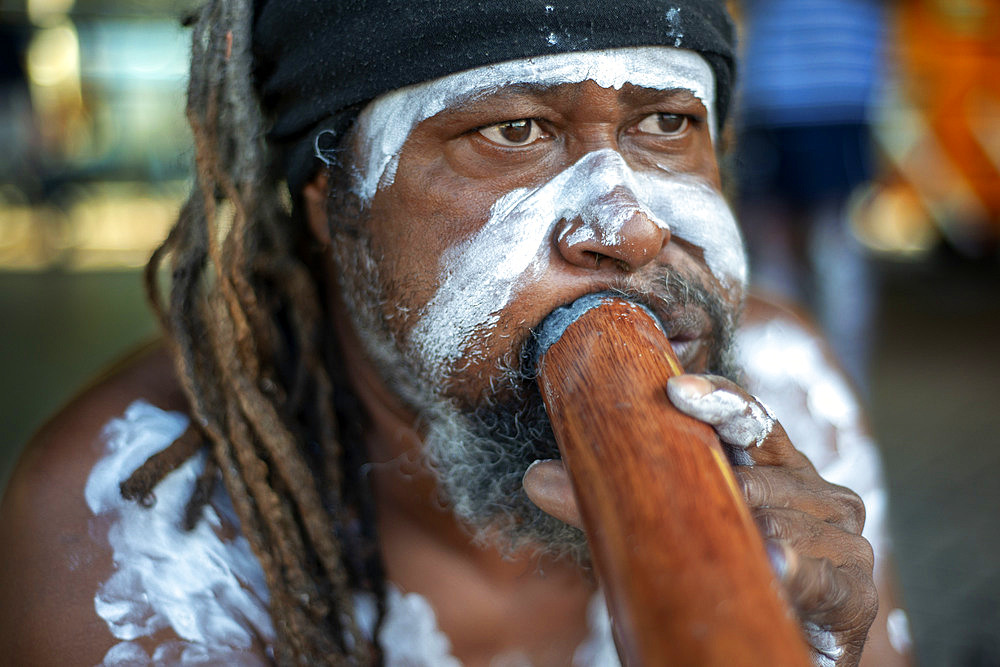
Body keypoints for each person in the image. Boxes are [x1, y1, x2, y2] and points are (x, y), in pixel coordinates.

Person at [0, 1, 911, 665]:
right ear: (334, 201)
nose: (628, 227)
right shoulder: (136, 528)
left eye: (667, 123)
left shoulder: (791, 384)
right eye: (515, 130)